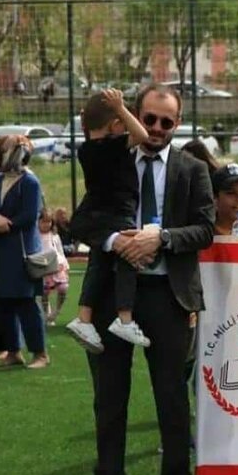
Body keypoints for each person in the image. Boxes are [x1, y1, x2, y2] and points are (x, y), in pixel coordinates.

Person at [85, 83, 215, 475]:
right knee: (109, 398)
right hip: (112, 295)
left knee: (171, 396)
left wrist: (161, 238)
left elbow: (205, 229)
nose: (157, 127)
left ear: (178, 123)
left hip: (168, 295)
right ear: (134, 116)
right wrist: (115, 241)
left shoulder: (192, 169)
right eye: (150, 118)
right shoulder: (113, 159)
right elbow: (86, 220)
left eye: (167, 121)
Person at [65, 89, 151, 354]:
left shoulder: (86, 150)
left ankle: (84, 317)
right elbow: (142, 135)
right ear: (115, 124)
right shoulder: (113, 146)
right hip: (118, 212)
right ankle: (125, 318)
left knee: (98, 264)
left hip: (99, 213)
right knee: (128, 260)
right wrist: (121, 108)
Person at [0, 134, 48, 368]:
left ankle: (40, 354)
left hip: (21, 251)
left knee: (26, 303)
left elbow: (30, 216)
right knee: (2, 303)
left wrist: (6, 223)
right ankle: (13, 350)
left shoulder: (30, 182)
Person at [38, 208, 70, 327]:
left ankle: (56, 311)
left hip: (57, 266)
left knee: (63, 288)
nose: (47, 225)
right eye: (44, 222)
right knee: (45, 292)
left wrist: (65, 264)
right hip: (43, 267)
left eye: (49, 222)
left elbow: (60, 251)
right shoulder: (35, 236)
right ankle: (47, 313)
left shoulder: (54, 236)